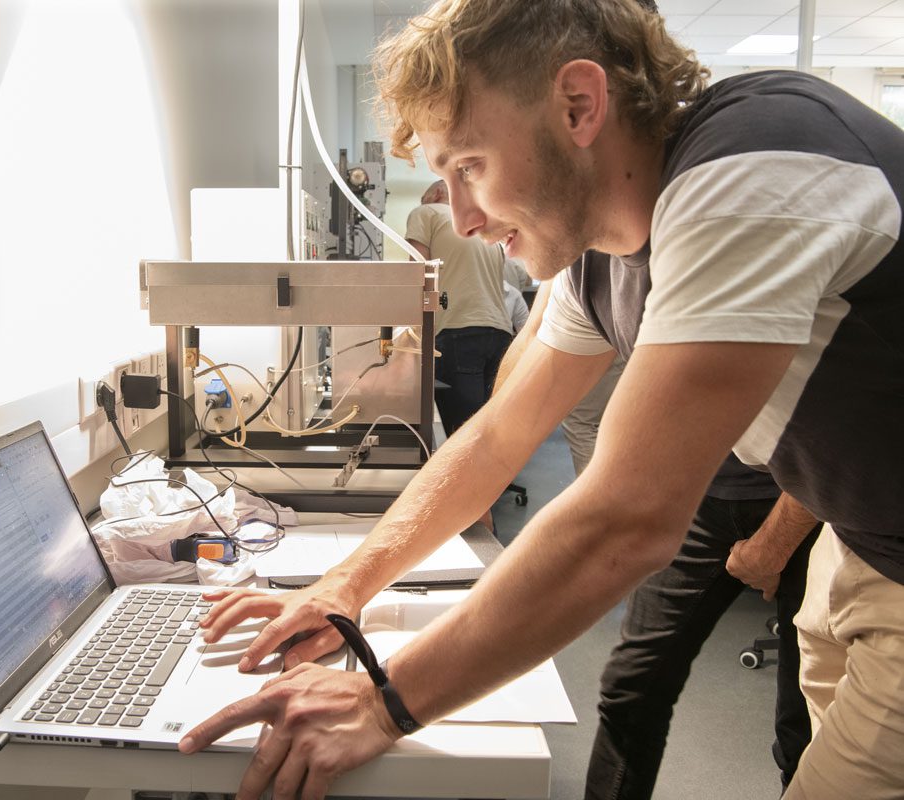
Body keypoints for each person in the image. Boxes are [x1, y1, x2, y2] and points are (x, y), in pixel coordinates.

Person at [178, 3, 904, 799]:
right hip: (858, 538)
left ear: (578, 106)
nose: (460, 217)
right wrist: (347, 584)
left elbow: (628, 517)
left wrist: (384, 705)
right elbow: (498, 435)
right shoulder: (599, 257)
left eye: (469, 166)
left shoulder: (754, 167)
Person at [499, 268, 816, 798]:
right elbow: (517, 396)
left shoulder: (782, 236)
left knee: (803, 709)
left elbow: (856, 430)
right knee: (633, 687)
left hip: (807, 499)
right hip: (703, 496)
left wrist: (775, 543)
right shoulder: (603, 269)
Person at [408, 179, 514, 435]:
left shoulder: (425, 212)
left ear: (434, 194)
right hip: (500, 334)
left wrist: (410, 337)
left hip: (459, 332)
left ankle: (478, 476)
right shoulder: (483, 229)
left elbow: (413, 273)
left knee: (464, 431)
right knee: (491, 424)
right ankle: (498, 476)